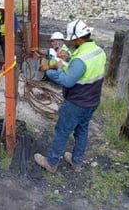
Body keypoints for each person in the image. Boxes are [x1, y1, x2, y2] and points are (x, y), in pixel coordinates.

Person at [34, 20, 106, 173]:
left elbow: (67, 81)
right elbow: (81, 72)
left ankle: (51, 163)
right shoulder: (98, 51)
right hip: (92, 101)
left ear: (78, 38)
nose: (72, 42)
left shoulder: (80, 59)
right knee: (82, 129)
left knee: (62, 130)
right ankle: (76, 161)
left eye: (72, 39)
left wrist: (58, 69)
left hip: (76, 103)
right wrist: (63, 66)